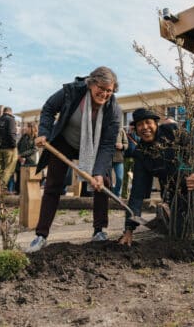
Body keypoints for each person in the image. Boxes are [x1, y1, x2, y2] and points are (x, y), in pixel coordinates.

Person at [27, 66, 122, 253]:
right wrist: (44, 132)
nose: (104, 94)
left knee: (103, 183)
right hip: (65, 141)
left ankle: (99, 231)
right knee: (53, 183)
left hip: (94, 146)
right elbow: (48, 108)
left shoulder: (114, 110)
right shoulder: (72, 91)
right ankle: (41, 235)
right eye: (100, 89)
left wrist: (98, 173)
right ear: (91, 84)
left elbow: (108, 144)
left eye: (108, 90)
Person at [118, 108, 194, 246]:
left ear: (156, 123)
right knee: (178, 237)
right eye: (140, 125)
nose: (145, 127)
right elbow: (137, 192)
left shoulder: (172, 131)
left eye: (148, 122)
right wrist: (128, 230)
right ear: (136, 129)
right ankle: (175, 223)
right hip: (175, 193)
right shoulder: (141, 152)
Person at [0, 106, 18, 190]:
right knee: (9, 168)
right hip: (9, 148)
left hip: (0, 147)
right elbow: (11, 133)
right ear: (10, 112)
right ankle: (1, 186)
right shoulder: (10, 119)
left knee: (1, 169)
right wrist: (14, 145)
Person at [14, 122, 39, 195]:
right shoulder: (24, 136)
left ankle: (27, 194)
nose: (25, 128)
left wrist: (22, 155)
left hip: (30, 161)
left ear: (31, 128)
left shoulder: (36, 138)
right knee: (19, 176)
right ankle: (18, 193)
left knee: (28, 178)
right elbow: (18, 146)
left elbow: (34, 149)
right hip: (20, 160)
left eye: (27, 127)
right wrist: (19, 155)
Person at [112, 126, 128, 196]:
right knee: (107, 180)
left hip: (119, 158)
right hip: (106, 159)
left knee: (120, 178)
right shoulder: (105, 127)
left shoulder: (121, 130)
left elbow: (126, 143)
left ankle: (116, 195)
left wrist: (122, 146)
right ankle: (108, 196)